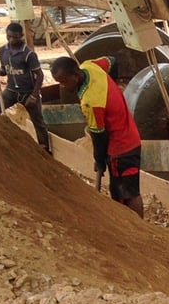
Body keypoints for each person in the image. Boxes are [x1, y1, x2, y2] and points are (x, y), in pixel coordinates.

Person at [50, 55, 144, 218]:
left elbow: (99, 136)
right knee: (130, 189)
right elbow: (112, 60)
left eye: (64, 81)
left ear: (75, 75)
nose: (63, 86)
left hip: (120, 149)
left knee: (123, 194)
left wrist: (99, 161)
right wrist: (112, 85)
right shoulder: (90, 66)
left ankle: (134, 230)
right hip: (131, 138)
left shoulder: (91, 102)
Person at [0, 22, 50, 154]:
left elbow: (39, 75)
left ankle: (45, 151)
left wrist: (34, 95)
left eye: (15, 37)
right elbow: (5, 70)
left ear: (21, 36)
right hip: (11, 91)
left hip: (28, 92)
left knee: (38, 122)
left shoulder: (28, 54)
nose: (12, 40)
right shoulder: (3, 51)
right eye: (9, 37)